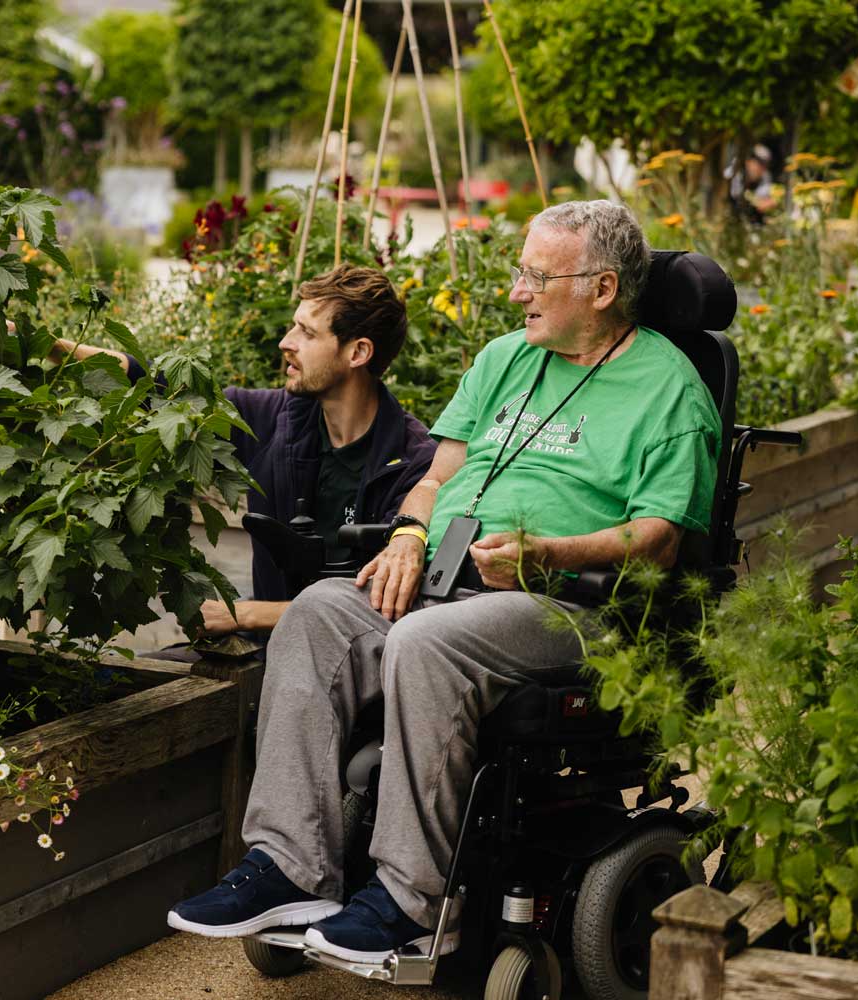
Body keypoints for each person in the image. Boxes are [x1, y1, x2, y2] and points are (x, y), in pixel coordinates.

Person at [165, 200, 722, 961]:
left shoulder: (671, 389)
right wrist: (407, 534)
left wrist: (548, 552)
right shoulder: (504, 359)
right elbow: (436, 476)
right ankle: (290, 867)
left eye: (535, 276)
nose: (516, 292)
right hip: (449, 576)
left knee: (424, 641)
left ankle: (410, 901)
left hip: (569, 606)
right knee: (320, 612)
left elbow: (657, 541)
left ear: (601, 289)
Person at [53, 265, 436, 641]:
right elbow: (153, 385)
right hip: (263, 650)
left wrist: (246, 615)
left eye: (306, 332)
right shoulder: (276, 420)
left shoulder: (414, 464)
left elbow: (382, 600)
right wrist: (49, 347)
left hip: (351, 665)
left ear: (358, 353)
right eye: (293, 325)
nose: (286, 341)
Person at [726, 143, 777, 222]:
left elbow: (764, 199)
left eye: (765, 165)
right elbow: (735, 195)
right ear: (748, 161)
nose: (762, 168)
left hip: (748, 218)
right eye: (759, 163)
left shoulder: (765, 175)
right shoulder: (734, 171)